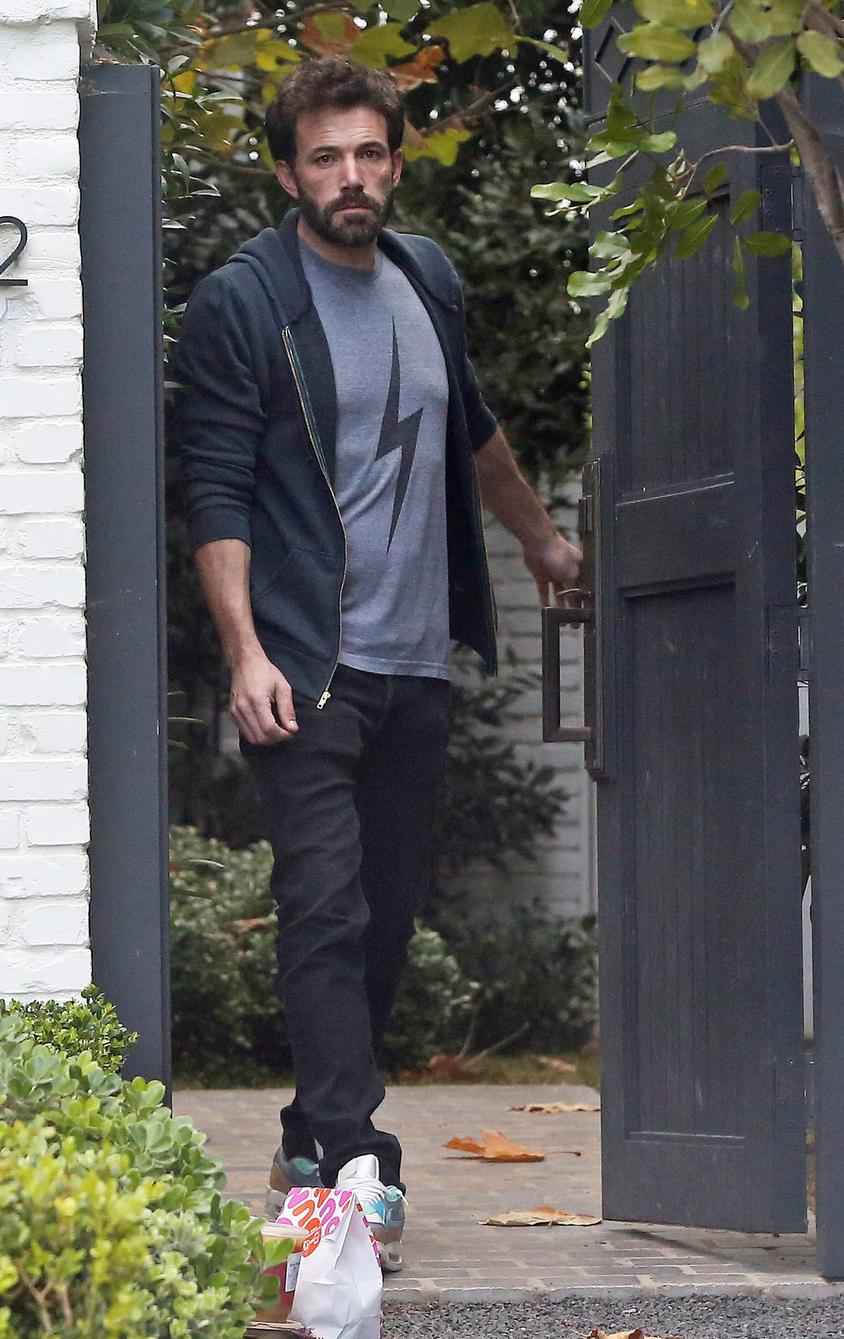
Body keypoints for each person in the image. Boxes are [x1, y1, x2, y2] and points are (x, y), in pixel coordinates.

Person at [172, 56, 581, 1273]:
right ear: (288, 173)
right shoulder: (246, 300)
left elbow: (473, 430)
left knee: (390, 921)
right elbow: (217, 490)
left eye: (367, 153)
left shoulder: (425, 278)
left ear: (394, 162)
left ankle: (309, 1135)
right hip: (304, 664)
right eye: (324, 158)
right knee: (325, 906)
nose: (349, 177)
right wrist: (246, 652)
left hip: (415, 664)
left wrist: (541, 541)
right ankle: (358, 1166)